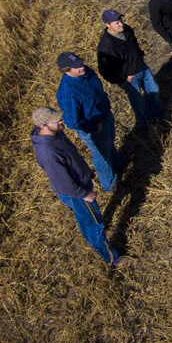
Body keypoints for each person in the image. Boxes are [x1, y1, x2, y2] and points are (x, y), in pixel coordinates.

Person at [29, 107, 131, 267]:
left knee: (87, 219)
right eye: (57, 120)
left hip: (80, 184)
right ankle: (113, 259)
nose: (61, 121)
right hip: (76, 193)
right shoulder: (48, 153)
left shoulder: (55, 134)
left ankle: (95, 236)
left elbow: (71, 158)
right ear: (43, 126)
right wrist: (83, 194)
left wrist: (85, 171)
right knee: (94, 225)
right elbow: (61, 183)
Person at [56, 51, 125, 192]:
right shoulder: (67, 92)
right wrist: (93, 127)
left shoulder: (86, 71)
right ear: (67, 70)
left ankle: (117, 162)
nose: (82, 66)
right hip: (93, 127)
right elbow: (72, 122)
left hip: (104, 114)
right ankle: (110, 185)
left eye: (81, 62)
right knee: (101, 156)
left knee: (110, 140)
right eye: (77, 66)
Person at [97, 9, 165, 131]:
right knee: (138, 102)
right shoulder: (106, 46)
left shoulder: (126, 30)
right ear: (107, 25)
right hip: (130, 77)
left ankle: (159, 116)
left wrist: (140, 57)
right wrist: (123, 78)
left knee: (154, 90)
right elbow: (105, 70)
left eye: (120, 20)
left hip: (142, 67)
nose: (121, 24)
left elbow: (135, 45)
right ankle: (148, 126)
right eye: (116, 23)